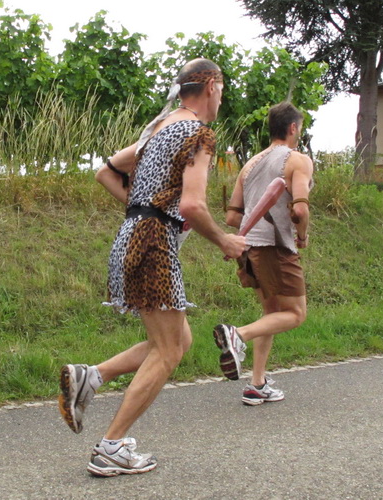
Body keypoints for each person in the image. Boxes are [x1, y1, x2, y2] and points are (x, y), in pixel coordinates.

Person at [58, 58, 246, 477]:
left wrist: (144, 210)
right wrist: (224, 240)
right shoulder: (199, 133)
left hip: (131, 237)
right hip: (154, 244)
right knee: (168, 350)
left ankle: (92, 377)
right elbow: (193, 205)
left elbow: (105, 173)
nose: (221, 98)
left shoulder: (159, 128)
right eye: (222, 90)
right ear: (211, 86)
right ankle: (111, 447)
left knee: (178, 340)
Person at [214, 101, 313, 406]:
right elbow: (300, 209)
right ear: (293, 128)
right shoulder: (298, 160)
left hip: (248, 249)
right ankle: (238, 335)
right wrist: (302, 235)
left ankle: (257, 384)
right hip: (275, 247)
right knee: (295, 314)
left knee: (272, 314)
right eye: (299, 128)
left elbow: (233, 217)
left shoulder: (249, 165)